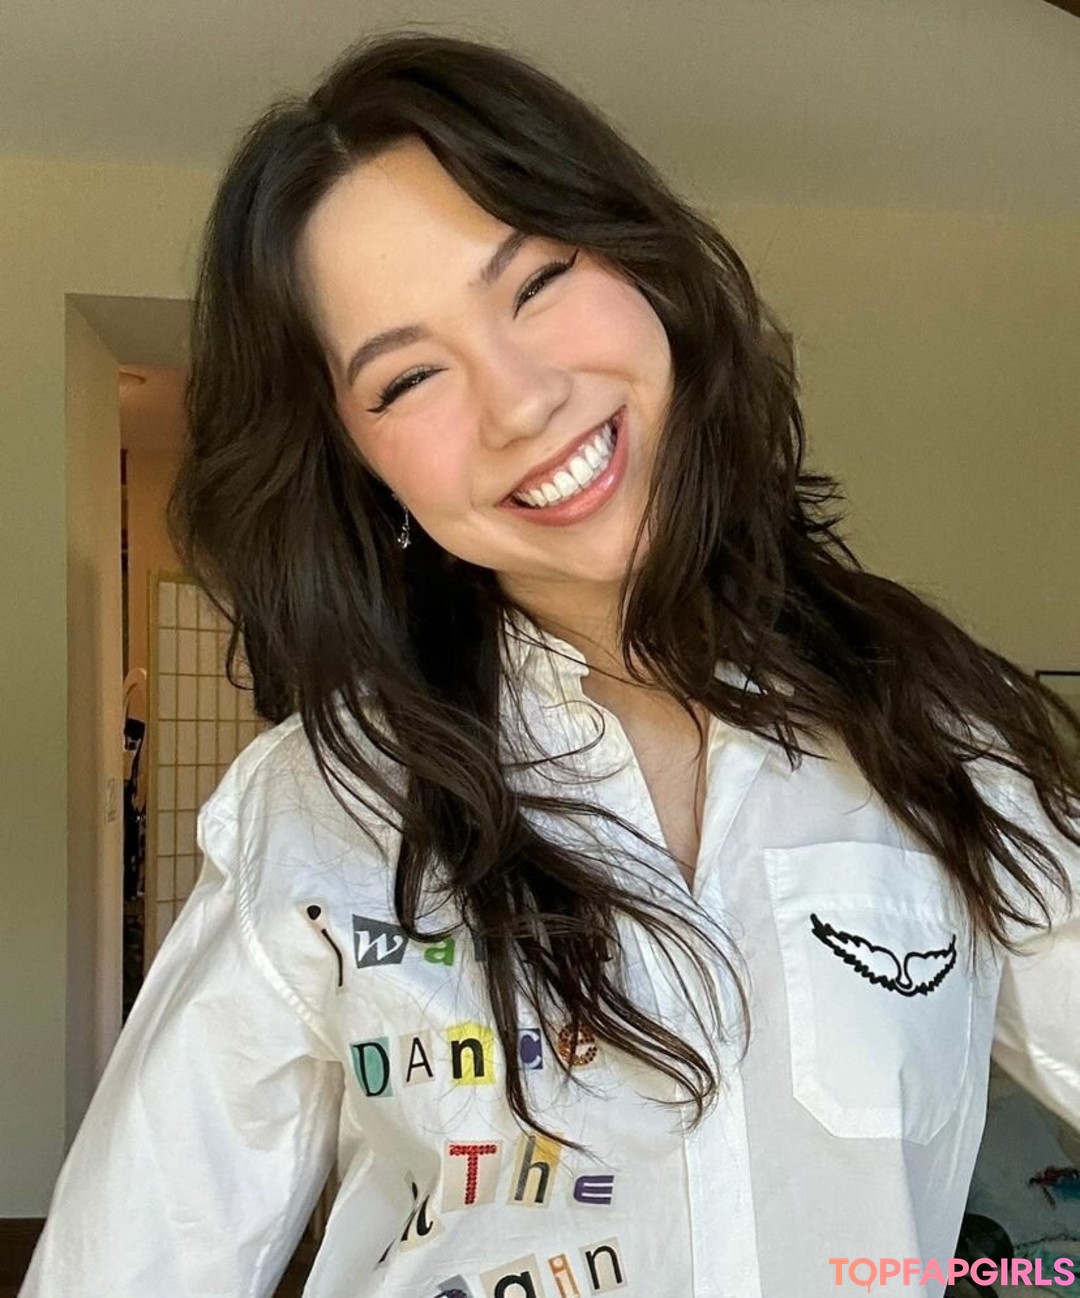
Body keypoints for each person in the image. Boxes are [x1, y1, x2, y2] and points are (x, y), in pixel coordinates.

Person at [21, 30, 1079, 1298]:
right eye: (410, 374)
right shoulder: (323, 807)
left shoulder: (939, 731)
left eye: (533, 282)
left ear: (642, 264)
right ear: (358, 459)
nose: (520, 400)